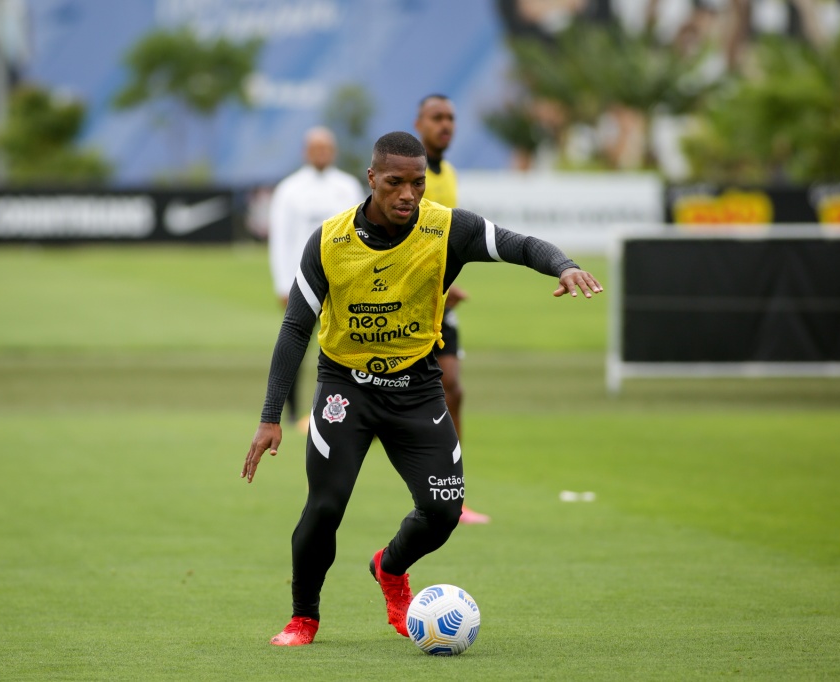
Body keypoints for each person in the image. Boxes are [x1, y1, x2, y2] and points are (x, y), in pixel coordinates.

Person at [242, 131, 602, 647]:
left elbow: (519, 245)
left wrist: (564, 265)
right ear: (372, 179)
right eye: (394, 183)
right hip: (347, 388)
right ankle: (304, 618)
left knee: (443, 512)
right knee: (325, 507)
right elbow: (296, 328)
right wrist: (270, 416)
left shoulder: (447, 228)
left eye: (416, 182)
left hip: (416, 389)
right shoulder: (328, 241)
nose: (407, 194)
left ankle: (390, 568)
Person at [414, 93, 489, 524]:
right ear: (418, 122)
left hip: (439, 301)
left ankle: (453, 495)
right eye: (437, 117)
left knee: (453, 388)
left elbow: (444, 240)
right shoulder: (411, 173)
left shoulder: (450, 174)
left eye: (451, 118)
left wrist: (449, 281)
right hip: (408, 303)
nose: (446, 125)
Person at [267, 126, 365, 431]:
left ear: (333, 151)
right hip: (302, 283)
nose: (321, 153)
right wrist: (283, 284)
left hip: (342, 283)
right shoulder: (289, 189)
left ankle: (345, 410)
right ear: (305, 152)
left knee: (346, 347)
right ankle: (294, 412)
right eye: (315, 148)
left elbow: (361, 236)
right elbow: (280, 239)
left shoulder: (348, 187)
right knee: (295, 346)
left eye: (325, 148)